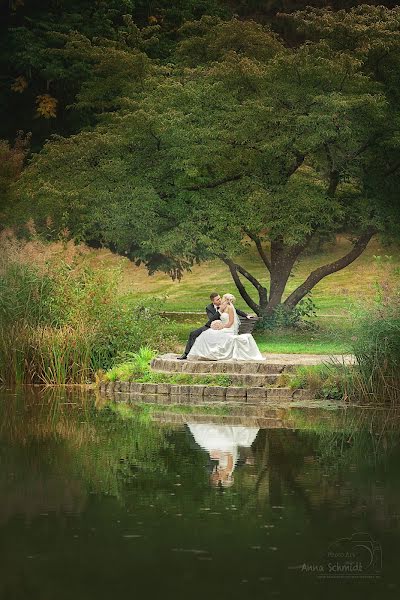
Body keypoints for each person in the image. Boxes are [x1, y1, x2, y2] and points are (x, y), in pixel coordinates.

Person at [186, 293, 265, 361]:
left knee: (207, 335)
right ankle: (199, 354)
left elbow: (232, 319)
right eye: (218, 299)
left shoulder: (229, 307)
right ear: (213, 301)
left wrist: (246, 315)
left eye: (221, 298)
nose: (220, 300)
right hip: (214, 326)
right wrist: (219, 314)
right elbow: (212, 319)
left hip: (227, 329)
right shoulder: (210, 308)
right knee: (201, 334)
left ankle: (211, 354)